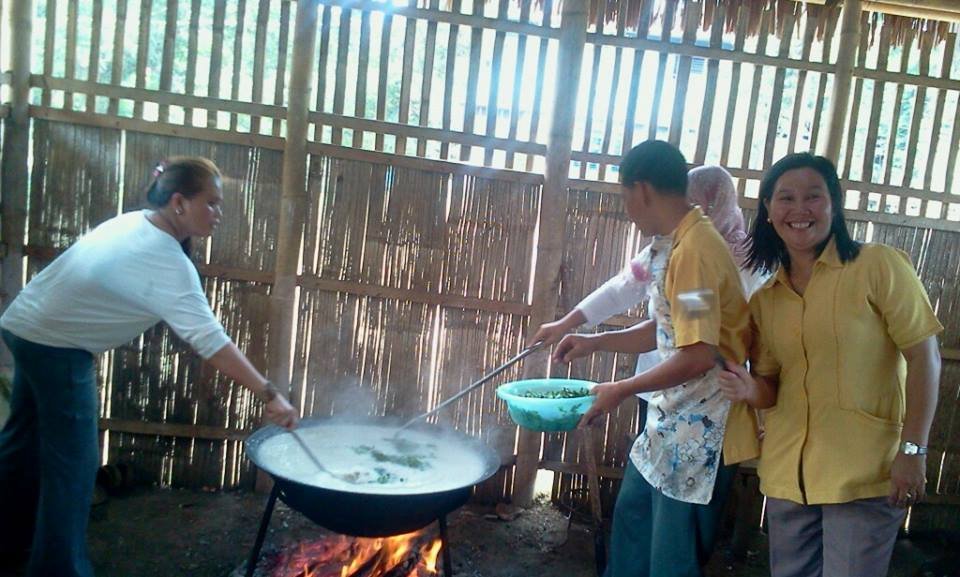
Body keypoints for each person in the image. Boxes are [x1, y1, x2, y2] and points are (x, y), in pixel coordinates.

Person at [0, 157, 299, 577]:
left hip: (25, 326)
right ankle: (57, 569)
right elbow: (210, 340)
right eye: (211, 203)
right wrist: (270, 394)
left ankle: (9, 543)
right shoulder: (164, 258)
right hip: (56, 347)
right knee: (74, 467)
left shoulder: (137, 222)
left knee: (21, 444)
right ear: (179, 202)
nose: (219, 212)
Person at [717, 153, 942, 577]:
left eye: (813, 197)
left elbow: (924, 356)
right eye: (785, 198)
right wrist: (750, 390)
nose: (799, 209)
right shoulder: (767, 299)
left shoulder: (878, 266)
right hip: (788, 476)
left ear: (834, 203)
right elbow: (769, 385)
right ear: (767, 210)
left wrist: (913, 450)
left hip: (863, 473)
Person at [553, 141, 753, 577]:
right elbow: (670, 329)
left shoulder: (698, 251)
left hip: (700, 429)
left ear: (640, 189)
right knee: (632, 527)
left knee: (669, 558)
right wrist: (596, 342)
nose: (627, 209)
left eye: (624, 196)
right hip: (666, 422)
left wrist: (620, 389)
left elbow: (700, 353)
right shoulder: (673, 242)